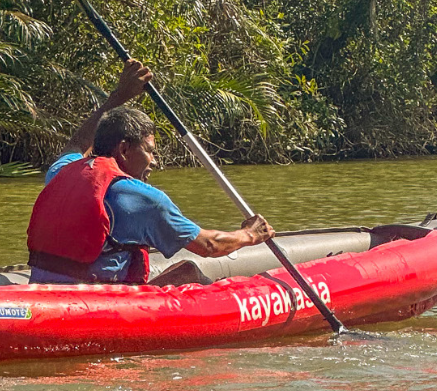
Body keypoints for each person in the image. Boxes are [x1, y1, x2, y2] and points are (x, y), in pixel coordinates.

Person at [27, 59, 274, 284]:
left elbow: (76, 145)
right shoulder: (144, 198)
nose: (154, 161)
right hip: (100, 305)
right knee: (189, 273)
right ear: (124, 150)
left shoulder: (61, 173)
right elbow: (209, 246)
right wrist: (250, 234)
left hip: (45, 293)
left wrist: (117, 97)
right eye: (149, 151)